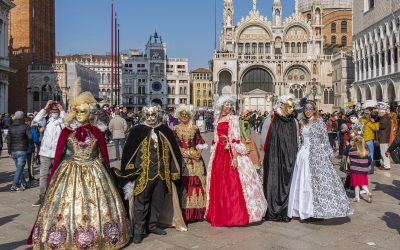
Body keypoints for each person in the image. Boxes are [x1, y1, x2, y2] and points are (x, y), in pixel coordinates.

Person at [27, 92, 131, 249]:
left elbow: (102, 156)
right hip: (69, 171)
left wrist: (106, 174)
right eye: (77, 111)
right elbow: (59, 156)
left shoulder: (97, 132)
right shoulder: (66, 132)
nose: (80, 115)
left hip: (94, 171)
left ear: (90, 111)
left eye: (83, 111)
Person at [115, 105, 187, 244]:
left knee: (157, 201)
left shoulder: (164, 130)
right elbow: (129, 153)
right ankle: (138, 231)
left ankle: (153, 225)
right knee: (140, 203)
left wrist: (173, 171)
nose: (151, 118)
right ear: (144, 116)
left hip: (161, 174)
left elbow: (172, 153)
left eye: (154, 115)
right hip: (143, 174)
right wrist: (131, 171)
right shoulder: (137, 131)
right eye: (148, 115)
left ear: (158, 115)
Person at [205, 94, 267, 227]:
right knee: (219, 182)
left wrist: (234, 157)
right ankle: (220, 212)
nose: (228, 107)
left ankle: (233, 214)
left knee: (233, 182)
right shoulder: (217, 120)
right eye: (225, 105)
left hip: (230, 151)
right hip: (218, 154)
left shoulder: (233, 119)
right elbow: (215, 139)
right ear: (220, 105)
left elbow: (235, 139)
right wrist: (213, 152)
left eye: (229, 105)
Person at [288, 100, 353, 221]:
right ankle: (304, 210)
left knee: (314, 183)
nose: (308, 112)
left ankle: (315, 211)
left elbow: (325, 140)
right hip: (303, 154)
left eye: (310, 109)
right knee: (303, 182)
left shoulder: (319, 122)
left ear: (314, 110)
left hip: (316, 155)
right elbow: (301, 140)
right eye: (306, 109)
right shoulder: (302, 122)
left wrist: (329, 156)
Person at [261, 94, 299, 222]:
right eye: (287, 106)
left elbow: (297, 140)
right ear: (281, 105)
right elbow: (264, 137)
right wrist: (267, 155)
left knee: (288, 182)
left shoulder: (294, 121)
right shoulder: (272, 118)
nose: (290, 109)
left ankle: (286, 209)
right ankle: (272, 209)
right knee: (273, 181)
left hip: (289, 158)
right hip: (274, 158)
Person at [173, 104, 208, 222]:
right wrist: (182, 152)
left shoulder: (194, 128)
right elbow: (173, 145)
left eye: (186, 115)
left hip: (195, 161)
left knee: (197, 183)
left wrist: (198, 152)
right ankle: (183, 212)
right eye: (182, 115)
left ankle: (198, 212)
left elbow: (200, 142)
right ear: (179, 115)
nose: (184, 117)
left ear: (190, 116)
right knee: (184, 183)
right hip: (182, 160)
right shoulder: (175, 128)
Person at [32, 100, 65, 206]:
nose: (54, 112)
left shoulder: (62, 121)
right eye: (52, 110)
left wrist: (62, 110)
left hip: (57, 154)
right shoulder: (46, 120)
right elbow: (36, 119)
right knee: (43, 176)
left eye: (56, 110)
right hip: (45, 153)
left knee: (57, 175)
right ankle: (42, 196)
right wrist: (46, 107)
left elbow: (70, 124)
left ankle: (56, 196)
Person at [7, 111, 33, 191]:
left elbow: (8, 139)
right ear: (23, 117)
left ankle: (23, 182)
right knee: (19, 167)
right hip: (22, 149)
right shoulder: (26, 126)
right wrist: (30, 144)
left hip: (13, 150)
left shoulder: (10, 127)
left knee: (19, 167)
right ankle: (14, 185)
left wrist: (9, 150)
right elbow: (30, 137)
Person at [344, 136, 372, 203]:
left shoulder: (352, 151)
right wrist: (365, 166)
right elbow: (369, 161)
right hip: (363, 170)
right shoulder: (366, 152)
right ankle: (367, 193)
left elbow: (346, 153)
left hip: (355, 170)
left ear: (355, 142)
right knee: (362, 184)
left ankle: (358, 197)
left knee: (356, 185)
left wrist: (349, 145)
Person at [360, 100, 379, 174]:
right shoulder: (363, 120)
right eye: (366, 112)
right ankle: (366, 167)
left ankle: (370, 168)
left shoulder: (370, 121)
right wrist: (371, 121)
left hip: (368, 140)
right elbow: (361, 125)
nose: (367, 113)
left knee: (370, 153)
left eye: (368, 112)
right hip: (364, 139)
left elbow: (376, 128)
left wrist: (375, 121)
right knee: (365, 153)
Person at [376, 102, 391, 170]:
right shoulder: (384, 117)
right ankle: (384, 164)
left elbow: (383, 126)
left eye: (379, 112)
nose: (378, 114)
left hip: (383, 137)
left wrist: (377, 125)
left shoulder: (385, 118)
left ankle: (387, 165)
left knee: (384, 152)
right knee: (383, 152)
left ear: (382, 112)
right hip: (383, 137)